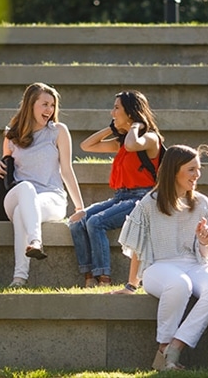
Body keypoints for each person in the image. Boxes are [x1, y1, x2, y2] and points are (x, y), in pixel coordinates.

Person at [109, 145, 208, 371]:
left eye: (198, 169)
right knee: (179, 284)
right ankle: (164, 346)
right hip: (159, 267)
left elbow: (207, 252)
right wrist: (131, 284)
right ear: (174, 170)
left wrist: (205, 241)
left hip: (196, 264)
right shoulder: (149, 203)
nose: (197, 175)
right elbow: (138, 247)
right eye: (191, 169)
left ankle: (173, 349)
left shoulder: (202, 203)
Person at [0, 82, 85, 287]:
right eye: (44, 104)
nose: (49, 110)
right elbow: (6, 165)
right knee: (25, 189)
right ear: (30, 105)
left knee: (21, 213)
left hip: (51, 197)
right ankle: (36, 241)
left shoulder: (58, 131)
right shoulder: (12, 135)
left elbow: (66, 170)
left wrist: (79, 207)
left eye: (52, 105)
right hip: (17, 195)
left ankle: (19, 278)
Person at [70, 91, 163, 288]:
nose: (112, 112)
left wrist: (137, 124)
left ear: (130, 111)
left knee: (95, 222)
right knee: (77, 221)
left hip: (142, 198)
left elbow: (131, 145)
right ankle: (89, 277)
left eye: (116, 108)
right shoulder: (121, 141)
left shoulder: (150, 138)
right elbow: (86, 145)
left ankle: (104, 278)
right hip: (120, 197)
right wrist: (112, 127)